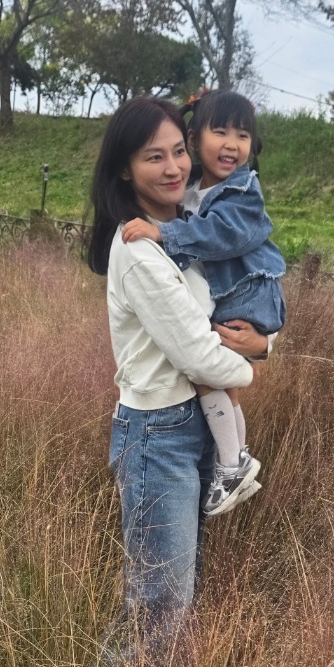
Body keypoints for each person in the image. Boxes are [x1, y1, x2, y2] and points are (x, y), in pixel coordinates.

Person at [88, 96, 269, 667]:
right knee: (158, 606)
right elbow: (197, 354)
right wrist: (250, 368)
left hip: (190, 426)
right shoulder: (139, 250)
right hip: (157, 437)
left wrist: (263, 344)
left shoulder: (183, 234)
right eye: (153, 157)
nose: (173, 168)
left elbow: (235, 309)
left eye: (178, 152)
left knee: (173, 597)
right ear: (124, 169)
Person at [122, 90, 286, 516]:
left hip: (247, 291)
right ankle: (236, 460)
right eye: (221, 132)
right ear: (197, 139)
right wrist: (262, 349)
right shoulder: (194, 186)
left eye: (243, 136)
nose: (232, 145)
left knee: (209, 379)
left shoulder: (242, 191)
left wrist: (164, 233)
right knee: (222, 385)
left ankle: (232, 463)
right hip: (233, 292)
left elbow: (218, 236)